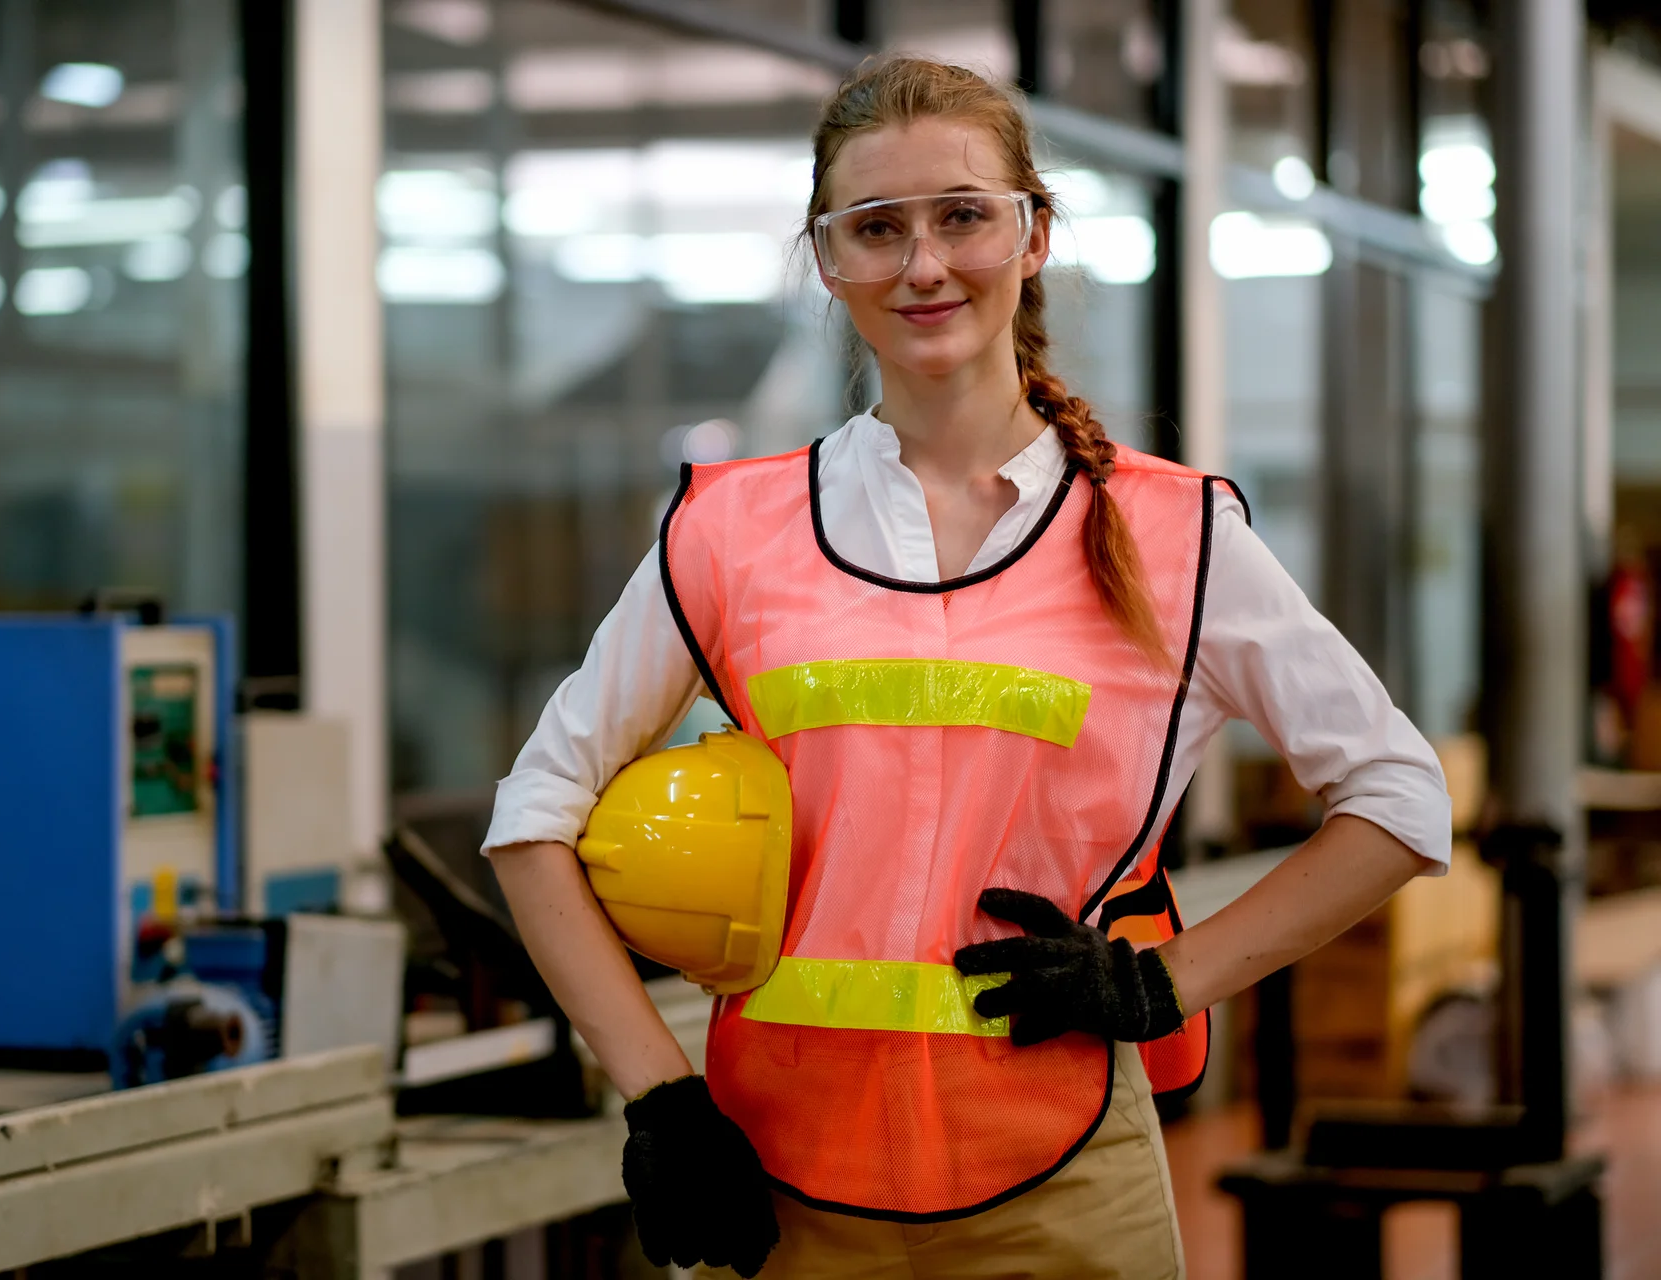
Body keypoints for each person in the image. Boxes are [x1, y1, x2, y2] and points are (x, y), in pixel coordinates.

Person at [485, 56, 1449, 1280]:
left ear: (1033, 234)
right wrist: (661, 1097)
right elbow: (534, 818)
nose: (924, 264)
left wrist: (1164, 983)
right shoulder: (730, 530)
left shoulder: (1173, 534)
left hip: (1069, 1186)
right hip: (777, 1185)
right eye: (876, 228)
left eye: (963, 216)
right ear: (827, 259)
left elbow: (1399, 798)